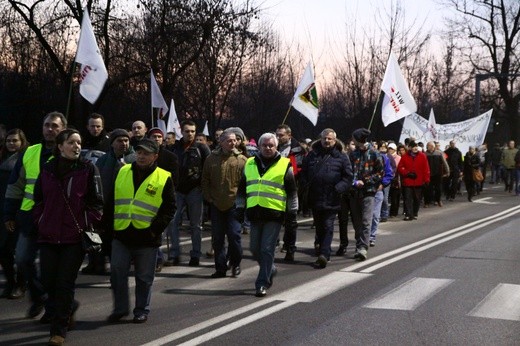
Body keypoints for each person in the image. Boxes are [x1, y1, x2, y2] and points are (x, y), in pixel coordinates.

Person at [33, 129, 103, 346]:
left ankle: (58, 330)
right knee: (47, 282)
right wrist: (41, 220)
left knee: (64, 283)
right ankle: (68, 308)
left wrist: (84, 222)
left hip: (74, 237)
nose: (77, 147)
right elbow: (38, 199)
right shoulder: (47, 170)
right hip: (49, 236)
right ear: (60, 146)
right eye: (71, 142)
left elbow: (97, 203)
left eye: (79, 143)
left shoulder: (88, 169)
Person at [4, 111, 67, 320]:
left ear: (63, 130)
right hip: (29, 218)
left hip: (56, 221)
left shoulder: (67, 153)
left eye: (55, 126)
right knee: (22, 259)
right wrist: (9, 214)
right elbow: (15, 186)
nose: (50, 129)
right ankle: (39, 296)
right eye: (47, 125)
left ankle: (53, 309)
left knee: (52, 269)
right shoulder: (30, 152)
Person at [108, 138, 174, 324]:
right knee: (117, 272)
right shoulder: (122, 171)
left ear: (155, 156)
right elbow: (112, 201)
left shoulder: (164, 176)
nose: (141, 156)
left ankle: (141, 310)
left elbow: (170, 208)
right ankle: (120, 309)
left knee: (144, 278)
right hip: (122, 234)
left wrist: (155, 230)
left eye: (146, 153)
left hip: (146, 238)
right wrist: (107, 229)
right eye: (139, 152)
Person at [235, 132, 297, 297]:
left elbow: (292, 193)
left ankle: (262, 283)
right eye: (265, 145)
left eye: (271, 145)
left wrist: (292, 214)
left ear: (276, 147)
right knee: (254, 248)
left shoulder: (285, 164)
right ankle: (270, 268)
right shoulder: (249, 163)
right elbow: (242, 190)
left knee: (267, 249)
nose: (268, 148)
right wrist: (240, 208)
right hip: (255, 213)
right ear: (259, 147)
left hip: (274, 214)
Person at [86, 129, 136, 275]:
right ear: (112, 143)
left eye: (126, 140)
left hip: (126, 209)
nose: (124, 144)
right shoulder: (104, 159)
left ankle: (119, 271)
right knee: (102, 238)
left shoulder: (134, 159)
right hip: (106, 207)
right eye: (119, 141)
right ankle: (97, 263)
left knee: (121, 243)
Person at [300, 128, 352, 268]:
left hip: (332, 197)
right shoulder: (312, 155)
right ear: (320, 139)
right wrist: (305, 185)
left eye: (330, 139)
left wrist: (338, 188)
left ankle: (324, 254)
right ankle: (322, 247)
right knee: (319, 226)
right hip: (315, 197)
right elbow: (303, 172)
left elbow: (348, 177)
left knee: (328, 225)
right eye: (324, 138)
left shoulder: (341, 157)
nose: (327, 141)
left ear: (335, 140)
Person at [201, 129, 247, 278]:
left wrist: (243, 202)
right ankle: (220, 268)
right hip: (216, 204)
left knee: (234, 236)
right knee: (218, 239)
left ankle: (235, 262)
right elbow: (205, 180)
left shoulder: (242, 160)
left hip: (234, 205)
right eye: (229, 140)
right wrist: (209, 198)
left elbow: (247, 183)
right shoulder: (211, 159)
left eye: (234, 140)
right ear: (221, 142)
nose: (232, 143)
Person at [164, 120, 211, 266]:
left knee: (195, 225)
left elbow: (208, 168)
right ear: (181, 132)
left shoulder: (202, 148)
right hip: (177, 190)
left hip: (195, 190)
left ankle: (195, 255)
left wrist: (203, 187)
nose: (190, 134)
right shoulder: (173, 148)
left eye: (192, 131)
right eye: (187, 131)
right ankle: (174, 253)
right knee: (172, 222)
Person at [0, 129, 28, 299]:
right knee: (3, 250)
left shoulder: (25, 159)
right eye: (9, 141)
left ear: (22, 142)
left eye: (15, 141)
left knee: (20, 251)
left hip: (19, 209)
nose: (11, 144)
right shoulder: (2, 157)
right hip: (3, 209)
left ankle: (21, 284)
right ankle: (11, 281)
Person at [348, 128, 384, 261]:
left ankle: (363, 247)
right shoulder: (353, 154)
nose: (352, 141)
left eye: (354, 138)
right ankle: (359, 243)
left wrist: (365, 181)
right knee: (356, 221)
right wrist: (353, 182)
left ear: (358, 140)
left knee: (366, 220)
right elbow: (348, 171)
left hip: (368, 192)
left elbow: (380, 173)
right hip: (354, 191)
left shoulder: (374, 153)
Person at [147, 127, 179, 272]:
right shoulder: (143, 155)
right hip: (147, 196)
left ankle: (159, 258)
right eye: (154, 137)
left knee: (162, 228)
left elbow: (174, 178)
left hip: (164, 195)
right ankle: (154, 258)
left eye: (159, 137)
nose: (157, 139)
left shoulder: (170, 156)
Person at [275, 124, 305, 262]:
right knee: (274, 219)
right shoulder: (272, 147)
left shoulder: (298, 150)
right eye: (277, 134)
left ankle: (290, 248)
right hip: (274, 189)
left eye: (281, 135)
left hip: (292, 188)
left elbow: (300, 169)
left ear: (289, 135)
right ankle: (275, 243)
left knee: (291, 220)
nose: (278, 137)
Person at [398, 141, 430, 220]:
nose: (415, 148)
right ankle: (408, 214)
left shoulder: (422, 156)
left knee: (417, 199)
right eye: (413, 147)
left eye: (416, 146)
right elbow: (400, 168)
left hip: (419, 181)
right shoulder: (405, 156)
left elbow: (426, 169)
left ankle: (415, 212)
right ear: (409, 148)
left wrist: (426, 180)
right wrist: (407, 173)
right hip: (408, 181)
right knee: (408, 198)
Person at [424, 141, 449, 207]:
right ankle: (427, 202)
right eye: (428, 146)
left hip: (438, 174)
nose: (429, 147)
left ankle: (438, 200)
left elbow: (444, 163)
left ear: (433, 146)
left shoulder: (439, 153)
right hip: (428, 174)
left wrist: (447, 171)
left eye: (430, 146)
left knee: (438, 189)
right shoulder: (425, 154)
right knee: (428, 189)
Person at [388, 143, 402, 217]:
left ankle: (394, 212)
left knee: (395, 197)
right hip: (388, 179)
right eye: (389, 148)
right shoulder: (387, 157)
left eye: (392, 149)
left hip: (396, 179)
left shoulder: (399, 158)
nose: (390, 150)